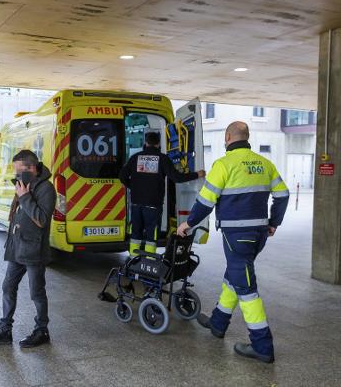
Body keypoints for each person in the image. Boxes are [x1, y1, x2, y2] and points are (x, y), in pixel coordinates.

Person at [177, 121, 289, 364]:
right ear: (246, 137)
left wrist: (188, 224)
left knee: (247, 290)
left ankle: (262, 346)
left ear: (227, 137)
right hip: (258, 234)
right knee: (235, 276)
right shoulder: (264, 163)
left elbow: (205, 201)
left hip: (236, 236)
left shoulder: (224, 164)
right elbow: (283, 194)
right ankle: (218, 323)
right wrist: (273, 222)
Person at [0, 150, 56, 348]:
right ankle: (5, 330)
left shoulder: (46, 188)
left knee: (36, 292)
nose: (16, 175)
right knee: (8, 287)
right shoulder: (24, 184)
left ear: (32, 168)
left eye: (19, 170)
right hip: (17, 247)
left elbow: (42, 220)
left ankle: (42, 331)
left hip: (34, 250)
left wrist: (25, 197)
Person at [119, 131, 204, 255]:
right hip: (153, 205)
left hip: (136, 204)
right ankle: (148, 261)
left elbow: (122, 176)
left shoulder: (136, 157)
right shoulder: (162, 159)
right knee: (151, 235)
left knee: (135, 233)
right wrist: (197, 174)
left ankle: (133, 260)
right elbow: (177, 178)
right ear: (158, 144)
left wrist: (133, 186)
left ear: (146, 143)